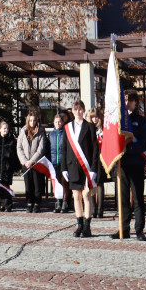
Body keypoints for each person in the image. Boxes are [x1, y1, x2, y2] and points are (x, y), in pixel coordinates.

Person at [114, 91, 146, 241]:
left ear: (136, 102)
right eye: (124, 100)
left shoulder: (142, 121)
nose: (127, 103)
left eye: (130, 100)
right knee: (122, 198)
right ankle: (123, 229)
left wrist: (130, 149)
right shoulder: (118, 120)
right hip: (121, 164)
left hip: (136, 162)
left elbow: (145, 141)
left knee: (137, 198)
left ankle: (139, 229)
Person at [63, 100, 99, 238]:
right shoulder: (68, 128)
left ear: (83, 111)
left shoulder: (89, 126)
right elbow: (64, 148)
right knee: (76, 196)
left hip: (87, 167)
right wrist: (64, 168)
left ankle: (87, 226)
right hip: (72, 166)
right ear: (72, 111)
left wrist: (94, 169)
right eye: (75, 109)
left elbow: (95, 149)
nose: (78, 112)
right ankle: (79, 224)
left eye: (80, 109)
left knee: (86, 195)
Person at [16, 113, 46, 213]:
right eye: (30, 120)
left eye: (34, 120)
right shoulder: (23, 131)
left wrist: (32, 160)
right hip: (25, 163)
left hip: (36, 162)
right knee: (28, 184)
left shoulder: (41, 132)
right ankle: (29, 203)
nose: (32, 122)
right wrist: (25, 161)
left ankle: (37, 203)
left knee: (37, 184)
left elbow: (40, 149)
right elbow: (19, 147)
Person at [47, 113, 69, 213]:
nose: (58, 123)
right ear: (53, 123)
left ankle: (65, 202)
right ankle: (57, 202)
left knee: (64, 182)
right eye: (56, 122)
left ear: (62, 123)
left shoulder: (65, 133)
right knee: (56, 183)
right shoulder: (51, 134)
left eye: (59, 122)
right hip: (53, 161)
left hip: (63, 161)